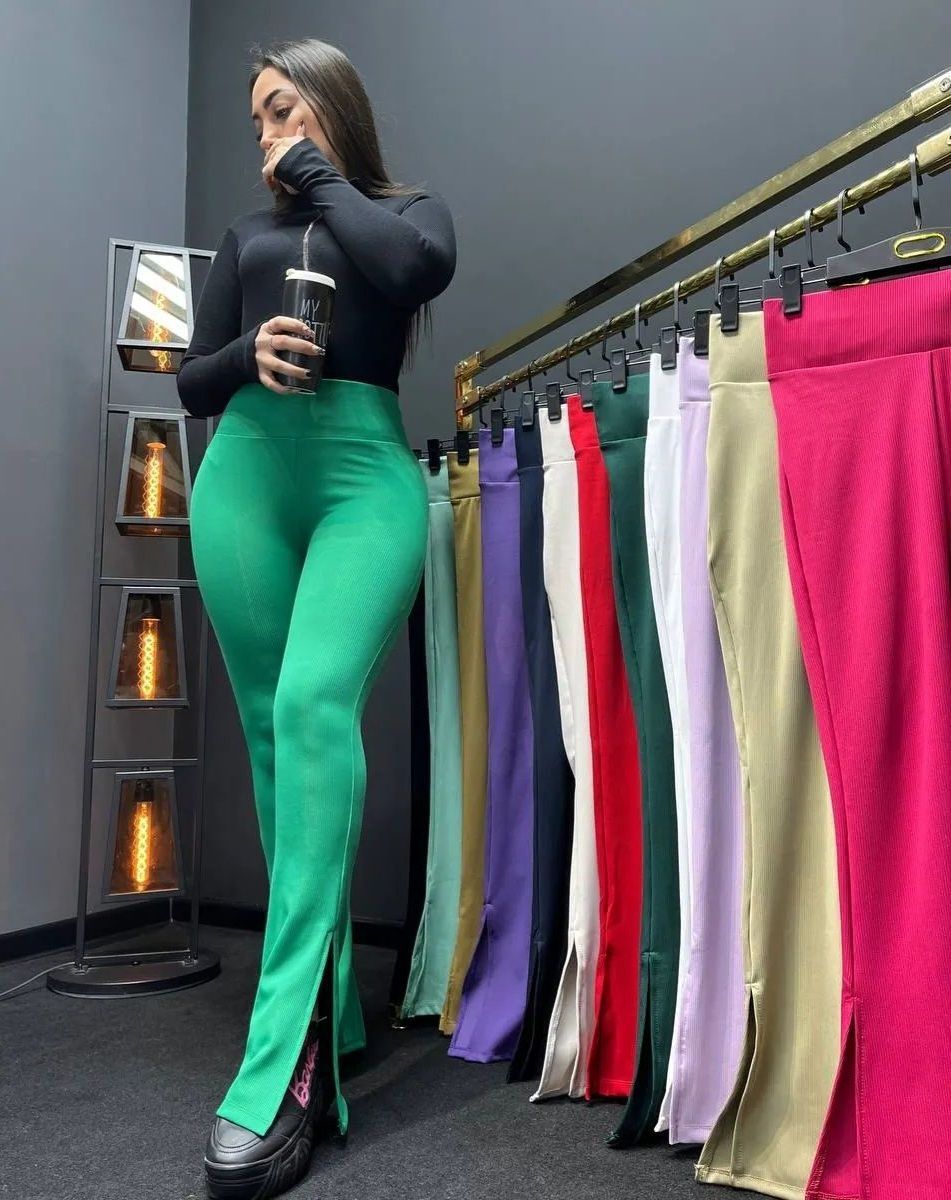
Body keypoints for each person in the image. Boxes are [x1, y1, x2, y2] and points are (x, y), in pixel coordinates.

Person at [175, 36, 456, 1200]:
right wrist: (247, 351)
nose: (267, 134)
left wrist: (319, 178)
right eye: (256, 121)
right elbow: (189, 379)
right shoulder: (243, 238)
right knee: (271, 740)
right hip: (246, 472)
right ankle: (332, 1004)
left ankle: (281, 1065)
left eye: (283, 108)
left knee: (312, 704)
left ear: (332, 105)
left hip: (361, 478)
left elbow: (414, 272)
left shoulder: (404, 213)